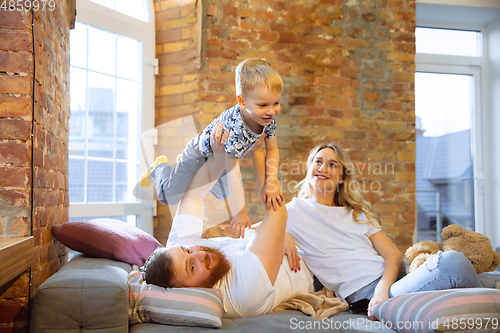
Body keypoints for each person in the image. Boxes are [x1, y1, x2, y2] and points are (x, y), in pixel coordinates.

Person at [283, 142, 499, 320]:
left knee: (486, 278)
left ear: (341, 178)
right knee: (453, 262)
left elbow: (393, 255)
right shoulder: (294, 210)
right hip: (366, 294)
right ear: (309, 169)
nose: (322, 168)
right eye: (318, 162)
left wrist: (383, 287)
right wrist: (284, 236)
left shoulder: (356, 213)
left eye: (332, 164)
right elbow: (257, 232)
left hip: (395, 278)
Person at [143, 123, 315, 318]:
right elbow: (277, 214)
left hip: (285, 237)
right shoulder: (242, 294)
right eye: (192, 267)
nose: (197, 254)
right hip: (314, 260)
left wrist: (218, 158)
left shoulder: (178, 253)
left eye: (188, 250)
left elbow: (193, 196)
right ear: (189, 291)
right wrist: (258, 150)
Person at [141, 58, 284, 238]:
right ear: (242, 102)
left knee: (222, 193)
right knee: (169, 195)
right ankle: (159, 168)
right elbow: (233, 172)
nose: (271, 111)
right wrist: (239, 212)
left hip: (221, 158)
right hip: (199, 153)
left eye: (276, 103)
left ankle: (183, 169)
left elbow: (271, 149)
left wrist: (271, 182)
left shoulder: (267, 120)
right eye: (263, 105)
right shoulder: (235, 128)